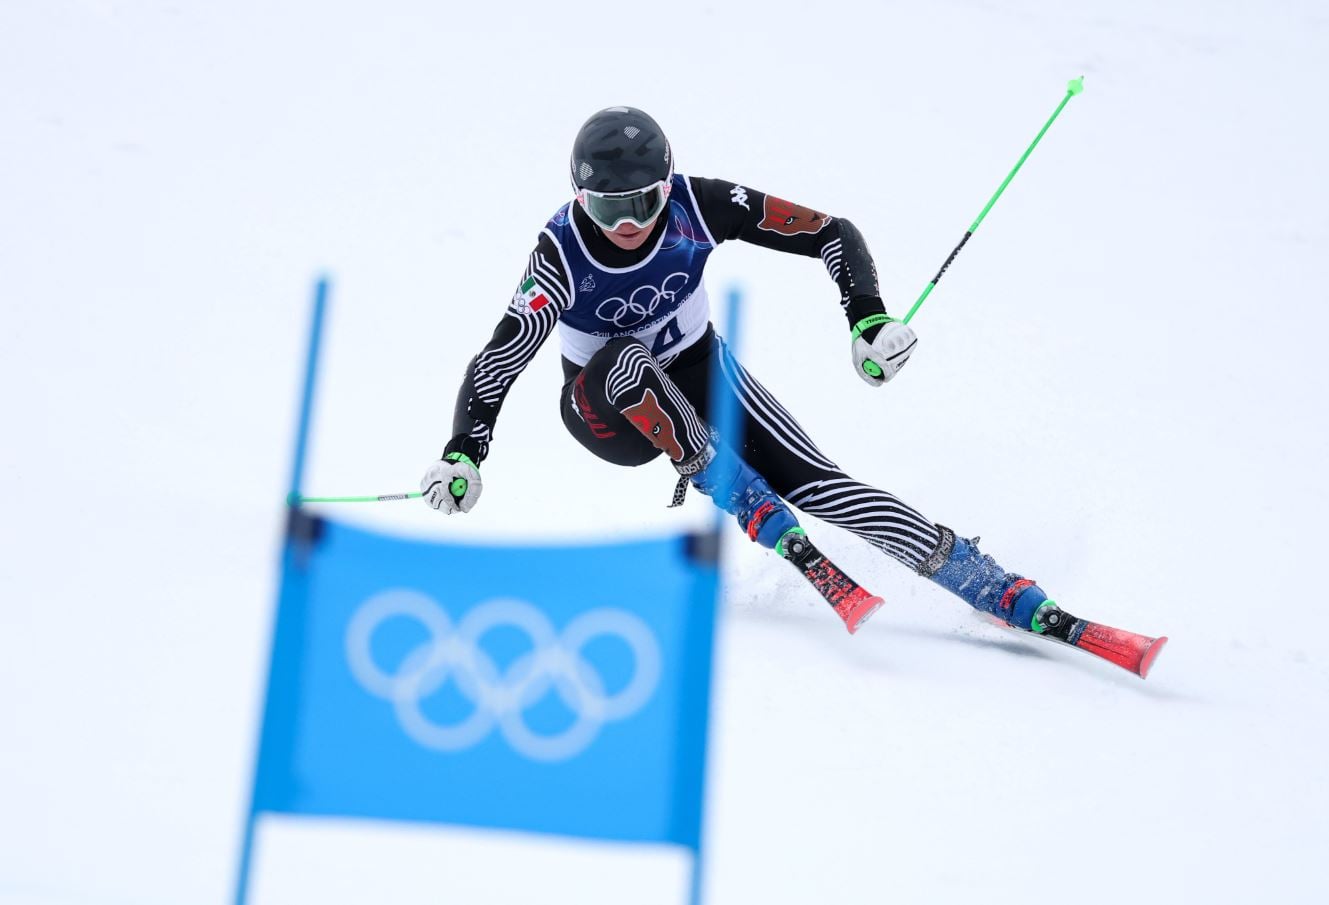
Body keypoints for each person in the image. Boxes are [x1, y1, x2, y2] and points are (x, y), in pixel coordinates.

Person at [420, 106, 1073, 642]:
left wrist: (866, 319)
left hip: (699, 369)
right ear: (578, 199)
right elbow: (499, 358)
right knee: (623, 358)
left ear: (667, 186)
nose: (626, 224)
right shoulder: (560, 253)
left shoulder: (696, 206)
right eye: (605, 207)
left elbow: (831, 232)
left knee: (819, 483)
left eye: (643, 203)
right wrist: (464, 451)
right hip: (605, 412)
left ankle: (979, 578)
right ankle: (747, 499)